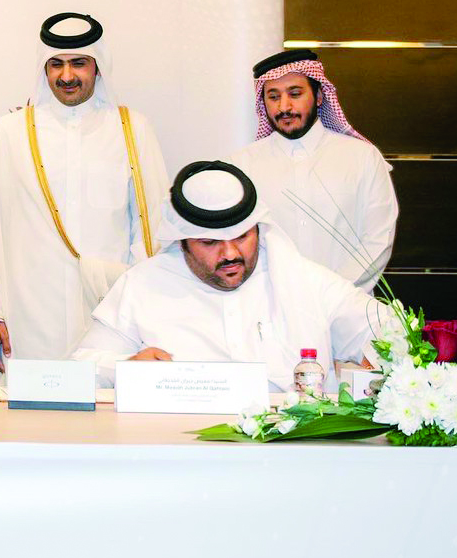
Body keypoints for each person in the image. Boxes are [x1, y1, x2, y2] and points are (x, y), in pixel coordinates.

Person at [0, 12, 169, 386]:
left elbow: (151, 228)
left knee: (106, 418)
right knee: (29, 422)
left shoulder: (131, 128)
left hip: (108, 311)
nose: (67, 76)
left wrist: (141, 310)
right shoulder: (8, 132)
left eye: (79, 63)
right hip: (28, 310)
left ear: (98, 68)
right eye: (55, 64)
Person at [72, 160, 392, 393]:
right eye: (210, 243)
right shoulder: (142, 285)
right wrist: (125, 366)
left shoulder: (306, 281)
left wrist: (378, 362)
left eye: (241, 237)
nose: (230, 254)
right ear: (182, 242)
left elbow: (392, 332)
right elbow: (80, 366)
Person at [229, 49, 398, 291]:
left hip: (347, 310)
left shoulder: (362, 158)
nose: (284, 107)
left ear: (319, 96)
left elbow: (378, 239)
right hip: (272, 308)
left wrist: (331, 294)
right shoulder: (242, 165)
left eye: (295, 94)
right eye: (273, 97)